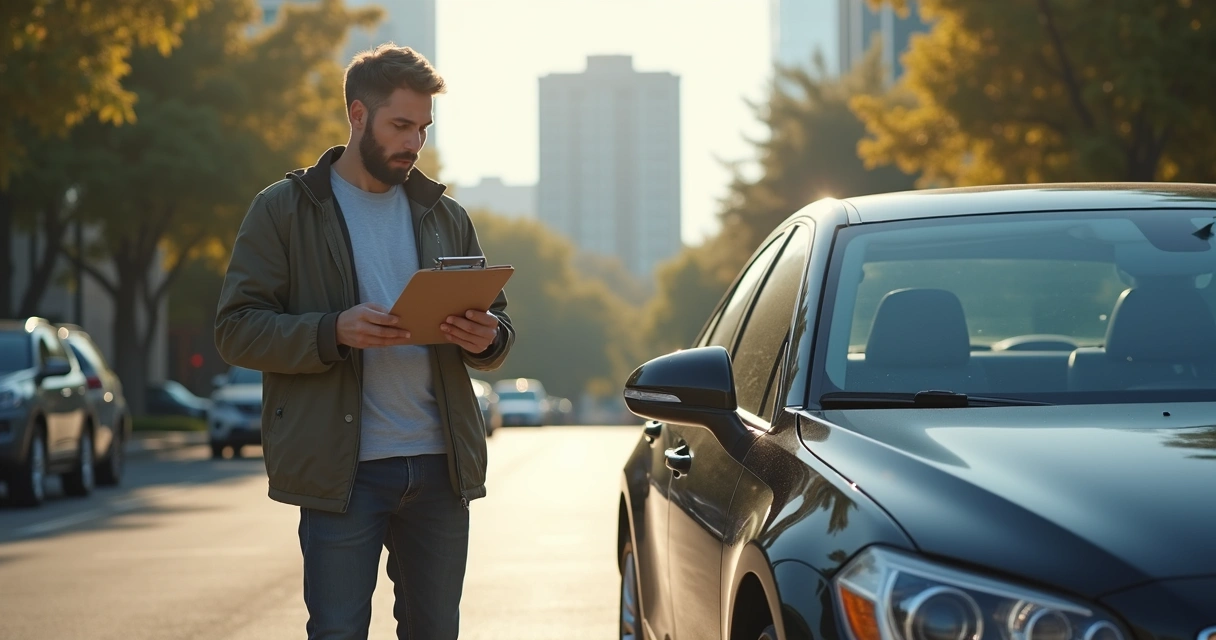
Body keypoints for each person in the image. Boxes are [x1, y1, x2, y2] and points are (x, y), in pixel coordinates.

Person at [215, 44, 513, 640]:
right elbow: (236, 329)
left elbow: (497, 324)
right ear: (357, 115)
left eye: (422, 128)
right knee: (338, 632)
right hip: (342, 474)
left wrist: (487, 337)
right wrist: (332, 331)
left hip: (439, 470)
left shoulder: (444, 214)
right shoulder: (283, 210)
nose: (414, 142)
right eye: (400, 125)